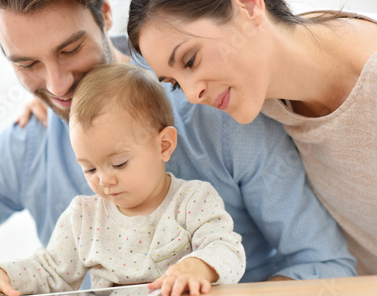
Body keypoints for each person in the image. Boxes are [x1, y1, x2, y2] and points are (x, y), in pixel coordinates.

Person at [0, 0, 355, 296]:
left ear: (105, 15)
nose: (58, 84)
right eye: (27, 64)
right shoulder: (29, 143)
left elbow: (322, 264)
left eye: (69, 49)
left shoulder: (216, 105)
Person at [0, 63, 246, 296]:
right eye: (89, 168)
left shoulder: (193, 200)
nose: (104, 180)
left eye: (119, 164)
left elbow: (227, 248)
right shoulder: (84, 217)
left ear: (164, 145)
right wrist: (0, 275)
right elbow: (50, 271)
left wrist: (199, 266)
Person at [127, 0, 377, 275]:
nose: (190, 96)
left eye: (190, 60)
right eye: (174, 83)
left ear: (247, 6)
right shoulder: (261, 80)